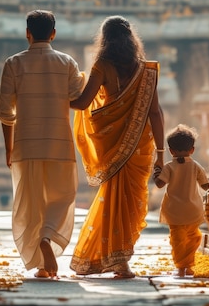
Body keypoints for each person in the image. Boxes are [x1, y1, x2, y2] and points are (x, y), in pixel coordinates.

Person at [69, 15, 165, 279]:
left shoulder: (102, 66)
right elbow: (155, 113)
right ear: (131, 39)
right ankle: (119, 259)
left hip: (110, 144)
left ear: (105, 40)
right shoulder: (147, 70)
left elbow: (81, 103)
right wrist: (160, 154)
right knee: (130, 203)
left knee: (112, 199)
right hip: (139, 147)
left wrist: (58, 91)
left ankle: (115, 259)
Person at [0, 10, 85, 279]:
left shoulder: (13, 64)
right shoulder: (66, 63)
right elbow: (78, 97)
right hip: (59, 144)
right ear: (54, 34)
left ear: (27, 32)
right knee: (63, 196)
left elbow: (5, 112)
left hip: (26, 144)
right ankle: (48, 239)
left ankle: (41, 263)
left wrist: (8, 148)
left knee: (31, 203)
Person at [153, 124, 209, 278]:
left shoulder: (169, 167)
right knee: (194, 237)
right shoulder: (196, 167)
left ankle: (181, 267)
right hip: (193, 211)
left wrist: (156, 172)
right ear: (192, 149)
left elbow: (159, 184)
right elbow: (205, 186)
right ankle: (188, 265)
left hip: (175, 211)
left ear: (171, 150)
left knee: (177, 241)